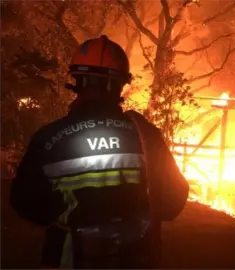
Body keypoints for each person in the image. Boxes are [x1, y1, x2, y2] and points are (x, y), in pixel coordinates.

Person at [10, 35, 189, 268]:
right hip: (134, 259)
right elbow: (172, 203)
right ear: (121, 84)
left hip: (69, 259)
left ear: (77, 80)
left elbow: (26, 204)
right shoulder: (147, 136)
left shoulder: (49, 139)